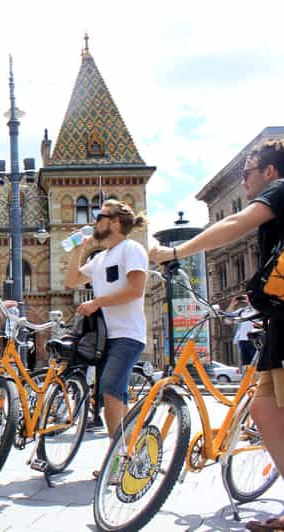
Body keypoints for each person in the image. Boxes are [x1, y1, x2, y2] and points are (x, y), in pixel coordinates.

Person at [148, 139, 284, 532]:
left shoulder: (281, 190)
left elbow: (232, 226)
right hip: (276, 319)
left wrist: (177, 253)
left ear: (269, 172)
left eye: (248, 173)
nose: (243, 183)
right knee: (262, 409)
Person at [64, 199, 148, 477]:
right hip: (105, 339)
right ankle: (130, 452)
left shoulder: (131, 249)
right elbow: (71, 280)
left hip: (128, 335)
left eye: (99, 216)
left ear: (113, 222)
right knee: (116, 396)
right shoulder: (99, 259)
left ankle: (117, 460)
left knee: (110, 390)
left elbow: (136, 290)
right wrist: (79, 247)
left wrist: (97, 302)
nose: (93, 220)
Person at [226, 295, 262, 371]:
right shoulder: (242, 311)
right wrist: (232, 304)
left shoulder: (258, 309)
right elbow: (228, 320)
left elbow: (259, 313)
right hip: (242, 341)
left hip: (255, 340)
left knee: (255, 364)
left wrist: (251, 302)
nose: (246, 299)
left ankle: (255, 381)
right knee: (245, 365)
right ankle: (247, 381)